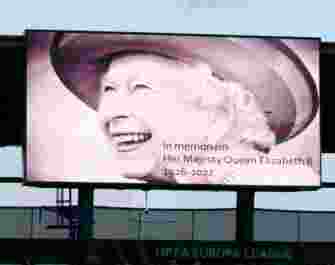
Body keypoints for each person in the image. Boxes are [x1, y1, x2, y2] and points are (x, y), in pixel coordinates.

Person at [48, 33, 320, 187]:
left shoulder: (284, 179)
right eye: (109, 90)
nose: (113, 112)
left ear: (216, 110)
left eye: (141, 88)